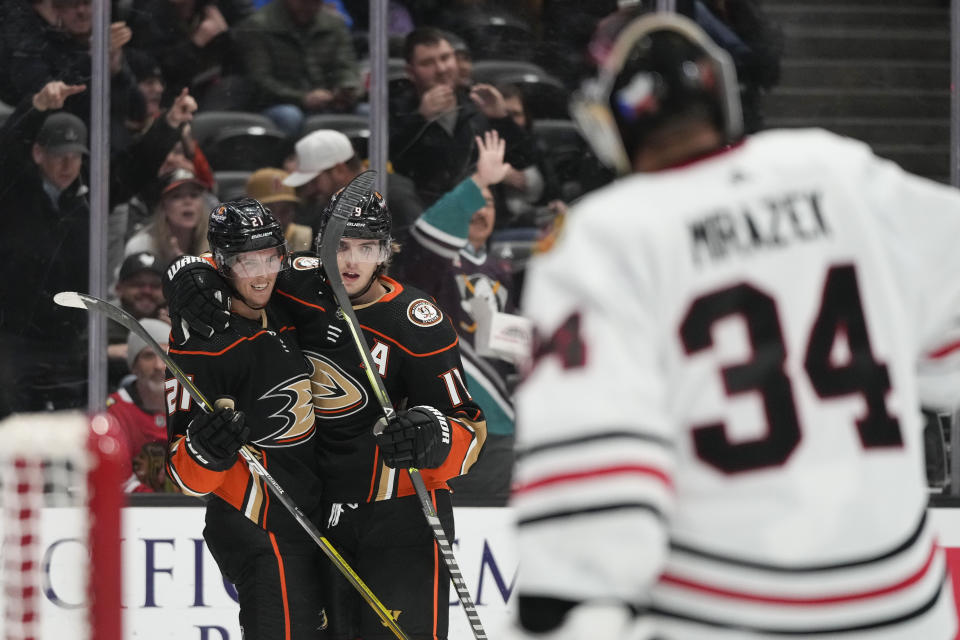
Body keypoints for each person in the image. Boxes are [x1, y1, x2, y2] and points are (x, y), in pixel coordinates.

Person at [511, 11, 960, 639]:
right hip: (901, 608)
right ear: (725, 94)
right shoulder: (836, 171)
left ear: (607, 124)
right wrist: (923, 373)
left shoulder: (605, 233)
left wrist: (561, 607)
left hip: (727, 612)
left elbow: (592, 473)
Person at [164, 187, 487, 639]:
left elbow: (470, 431)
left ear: (386, 251)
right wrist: (187, 271)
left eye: (366, 248)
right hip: (327, 521)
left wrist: (433, 435)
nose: (351, 262)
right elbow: (240, 257)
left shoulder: (416, 323)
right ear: (317, 250)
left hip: (402, 517)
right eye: (340, 247)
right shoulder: (295, 283)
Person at [164, 198, 327, 638]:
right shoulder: (199, 344)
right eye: (244, 261)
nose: (260, 273)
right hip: (255, 520)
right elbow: (183, 477)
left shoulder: (284, 308)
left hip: (311, 515)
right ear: (222, 263)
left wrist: (183, 267)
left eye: (269, 258)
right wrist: (206, 449)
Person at [0, 80, 193, 417]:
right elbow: (6, 147)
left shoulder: (89, 192)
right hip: (17, 335)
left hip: (71, 333)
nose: (67, 165)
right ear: (38, 154)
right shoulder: (15, 190)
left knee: (75, 421)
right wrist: (36, 107)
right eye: (59, 156)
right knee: (15, 422)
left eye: (75, 156)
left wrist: (169, 125)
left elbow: (136, 167)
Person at [396, 130, 519, 506]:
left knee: (493, 514)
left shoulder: (501, 267)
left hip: (498, 416)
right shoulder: (438, 262)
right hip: (449, 414)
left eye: (489, 203)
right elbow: (424, 240)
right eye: (474, 203)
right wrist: (480, 181)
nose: (482, 210)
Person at [389, 27, 535, 205]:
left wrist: (501, 119)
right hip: (426, 216)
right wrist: (420, 119)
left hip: (484, 214)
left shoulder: (479, 104)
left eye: (445, 58)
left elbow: (525, 161)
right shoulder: (396, 111)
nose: (441, 69)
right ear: (410, 72)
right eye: (428, 63)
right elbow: (393, 165)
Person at [234, 0, 362, 137]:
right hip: (278, 103)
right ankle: (288, 158)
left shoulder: (335, 24)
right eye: (304, 3)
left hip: (328, 100)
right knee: (289, 115)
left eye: (316, 3)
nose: (311, 7)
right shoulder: (257, 26)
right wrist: (302, 98)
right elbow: (259, 81)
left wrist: (345, 89)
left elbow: (347, 66)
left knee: (368, 112)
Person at [281, 129, 423, 242]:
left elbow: (414, 250)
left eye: (314, 181)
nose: (310, 189)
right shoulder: (328, 203)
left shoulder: (394, 196)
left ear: (339, 170)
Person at [106, 317, 172, 493]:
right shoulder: (114, 412)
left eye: (166, 355)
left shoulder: (193, 407)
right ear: (133, 366)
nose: (159, 366)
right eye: (149, 356)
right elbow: (119, 481)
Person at [125, 167, 212, 267]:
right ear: (163, 206)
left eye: (194, 195)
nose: (188, 202)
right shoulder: (141, 246)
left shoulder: (216, 245)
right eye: (177, 196)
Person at [107, 251, 168, 388]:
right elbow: (77, 356)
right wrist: (103, 352)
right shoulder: (102, 319)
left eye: (155, 286)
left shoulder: (182, 320)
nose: (146, 291)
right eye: (137, 284)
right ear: (119, 289)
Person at [245, 167, 312, 252]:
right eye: (269, 212)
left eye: (285, 211)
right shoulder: (239, 244)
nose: (278, 220)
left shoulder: (307, 239)